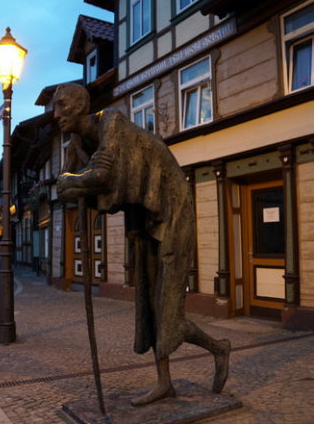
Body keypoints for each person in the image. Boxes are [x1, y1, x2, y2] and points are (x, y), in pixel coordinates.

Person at [54, 82, 230, 406]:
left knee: (169, 312)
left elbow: (102, 176)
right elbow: (68, 183)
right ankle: (165, 382)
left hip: (172, 211)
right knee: (149, 304)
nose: (57, 114)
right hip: (144, 218)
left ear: (81, 104)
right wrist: (72, 180)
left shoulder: (113, 122)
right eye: (55, 107)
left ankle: (219, 348)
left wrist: (74, 183)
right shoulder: (77, 142)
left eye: (62, 105)